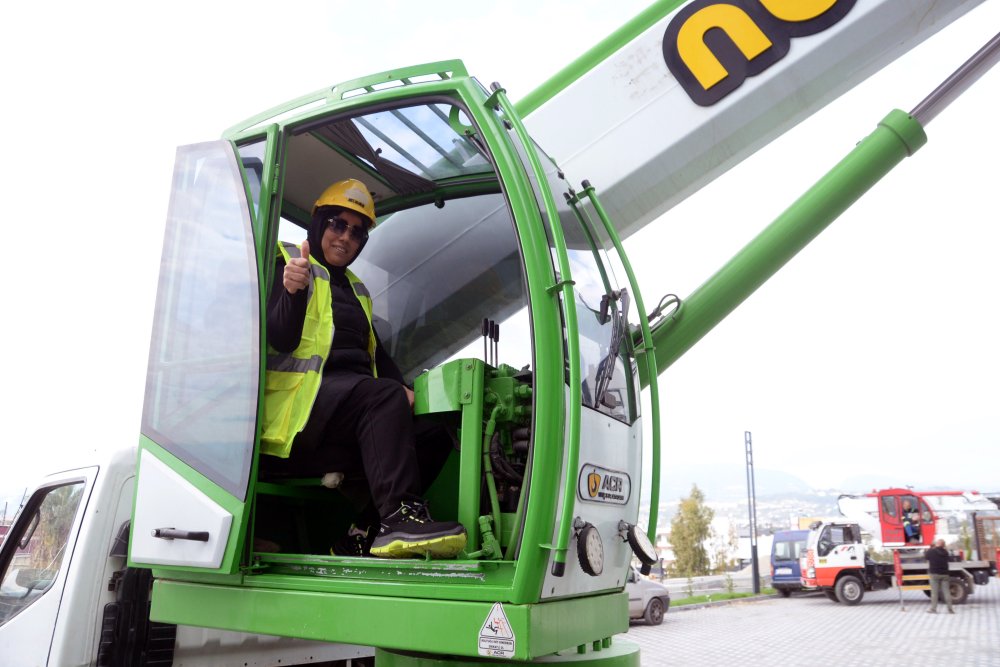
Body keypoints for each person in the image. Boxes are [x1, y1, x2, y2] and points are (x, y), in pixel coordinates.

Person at [261, 178, 466, 559]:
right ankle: (400, 518)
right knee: (381, 396)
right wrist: (291, 292)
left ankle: (363, 531)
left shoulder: (356, 291)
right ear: (320, 223)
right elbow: (281, 337)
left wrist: (412, 393)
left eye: (356, 232)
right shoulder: (289, 264)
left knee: (435, 427)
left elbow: (378, 358)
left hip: (344, 413)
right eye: (338, 225)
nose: (345, 238)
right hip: (296, 421)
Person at [924, 538, 954, 613]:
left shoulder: (931, 551)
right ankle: (950, 609)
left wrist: (931, 547)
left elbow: (926, 557)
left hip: (934, 574)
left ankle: (933, 609)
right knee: (946, 592)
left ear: (936, 544)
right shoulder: (946, 552)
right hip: (945, 574)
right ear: (943, 545)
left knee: (934, 592)